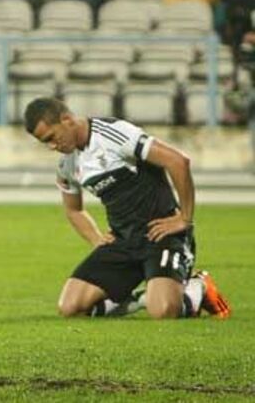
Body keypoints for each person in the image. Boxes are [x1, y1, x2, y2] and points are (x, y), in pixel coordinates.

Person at [23, 97, 231, 320]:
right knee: (70, 308)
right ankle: (143, 299)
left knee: (163, 311)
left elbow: (178, 161)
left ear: (66, 120)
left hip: (161, 235)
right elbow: (74, 210)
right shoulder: (67, 164)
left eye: (51, 137)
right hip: (123, 240)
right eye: (45, 142)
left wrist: (184, 219)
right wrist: (96, 239)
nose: (52, 146)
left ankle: (198, 287)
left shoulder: (113, 133)